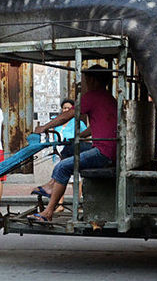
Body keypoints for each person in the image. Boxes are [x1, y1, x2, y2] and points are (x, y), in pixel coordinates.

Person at [31, 66, 117, 222]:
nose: (82, 84)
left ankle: (49, 211)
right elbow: (99, 125)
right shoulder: (108, 98)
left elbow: (67, 116)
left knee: (62, 167)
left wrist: (44, 127)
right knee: (70, 148)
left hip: (103, 152)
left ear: (92, 80)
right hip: (109, 150)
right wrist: (80, 135)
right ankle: (51, 184)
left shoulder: (92, 96)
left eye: (83, 80)